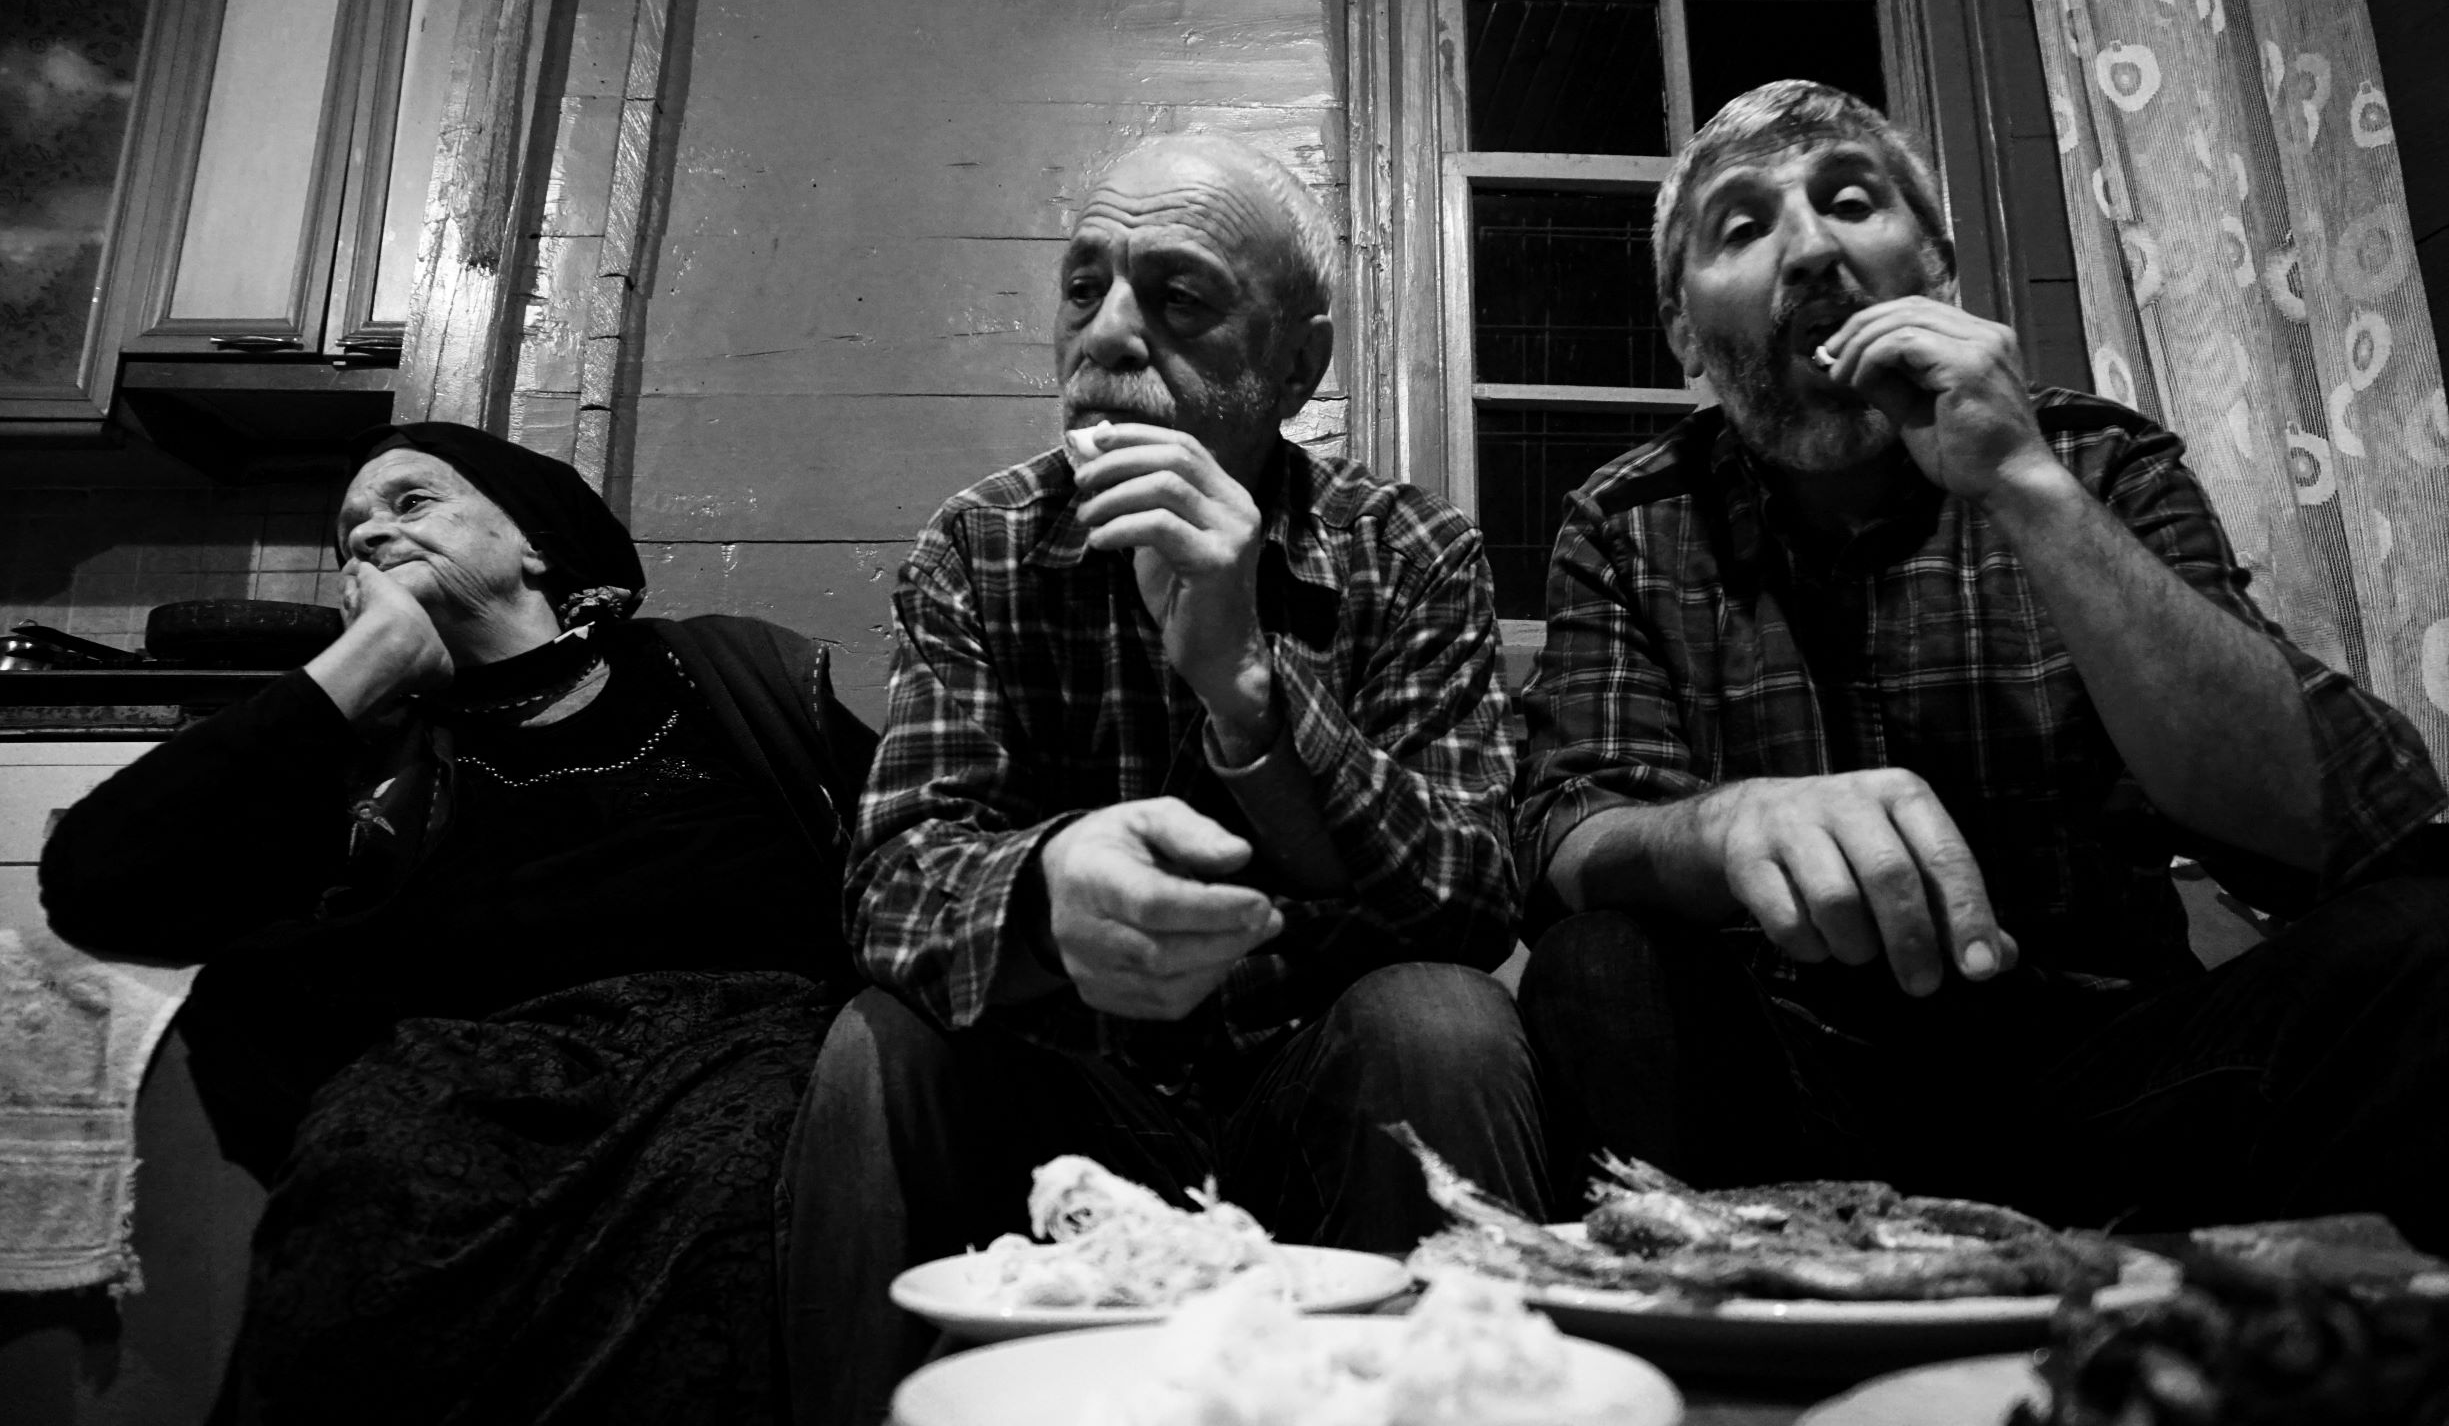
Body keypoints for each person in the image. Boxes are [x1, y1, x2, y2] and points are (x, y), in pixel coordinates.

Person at [1514, 80, 2449, 1248]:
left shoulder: (2094, 463)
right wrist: (1724, 824)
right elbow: (1565, 830)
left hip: (2113, 1080)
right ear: (1683, 332)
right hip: (1791, 1102)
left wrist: (2023, 481)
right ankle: (1764, 1362)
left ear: (1936, 263)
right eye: (1743, 228)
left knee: (2423, 940)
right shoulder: (1629, 520)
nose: (1807, 252)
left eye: (1849, 202)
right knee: (1595, 966)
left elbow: (2350, 822)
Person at [785, 134, 1541, 1423]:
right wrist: (1039, 893)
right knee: (875, 1047)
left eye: (1177, 298)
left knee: (1443, 1020)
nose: (1109, 336)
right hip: (1063, 1112)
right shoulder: (982, 546)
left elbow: (1470, 899)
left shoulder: (1412, 551)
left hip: (1316, 1096)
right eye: (1085, 288)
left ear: (1298, 362)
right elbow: (893, 883)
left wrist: (1248, 689)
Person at [41, 422, 877, 1426]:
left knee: (725, 1171)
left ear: (535, 544)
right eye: (349, 530)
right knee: (372, 1167)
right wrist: (368, 661)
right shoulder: (365, 747)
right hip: (462, 1078)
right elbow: (95, 882)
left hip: (739, 1050)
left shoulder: (722, 679)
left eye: (409, 502)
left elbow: (900, 857)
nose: (367, 537)